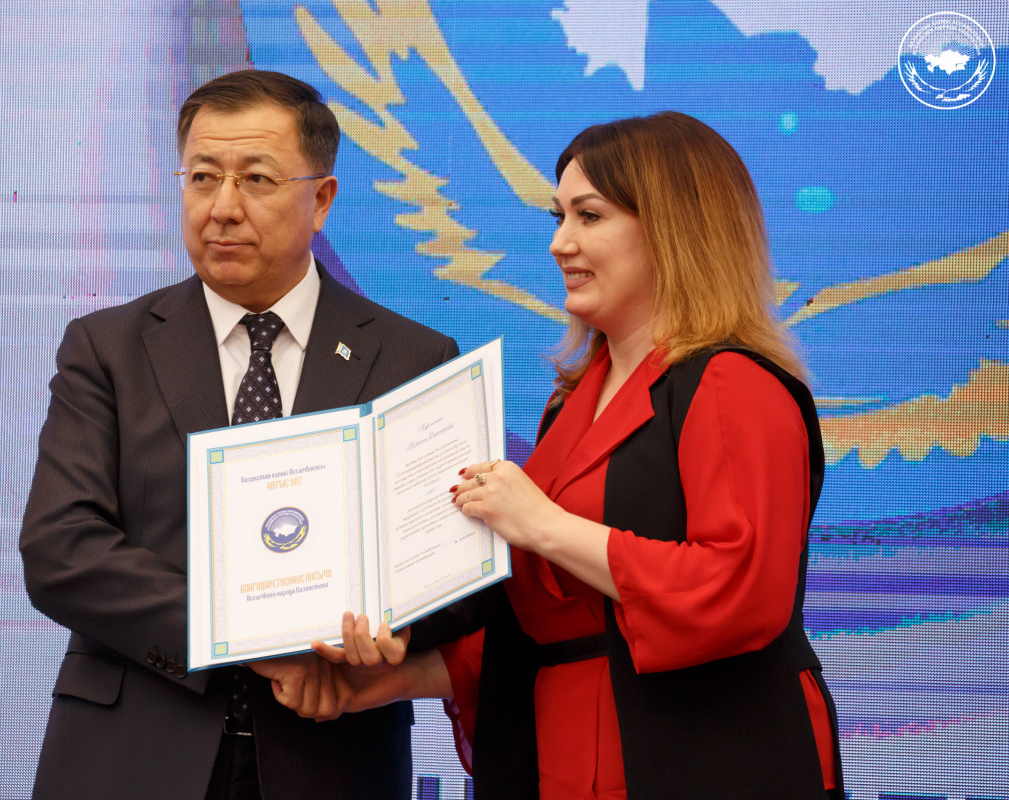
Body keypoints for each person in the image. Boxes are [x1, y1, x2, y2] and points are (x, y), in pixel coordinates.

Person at [255, 112, 844, 799]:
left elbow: (740, 589)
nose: (561, 243)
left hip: (710, 758)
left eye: (589, 216)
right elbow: (550, 629)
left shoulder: (732, 382)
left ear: (674, 227)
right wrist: (387, 680)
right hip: (565, 756)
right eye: (559, 217)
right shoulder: (568, 406)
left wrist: (545, 525)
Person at [19, 70, 458, 800]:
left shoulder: (413, 359)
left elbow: (452, 578)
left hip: (332, 757)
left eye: (256, 179)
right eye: (202, 178)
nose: (222, 208)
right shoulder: (107, 348)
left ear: (322, 199)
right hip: (130, 754)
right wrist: (257, 639)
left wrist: (390, 630)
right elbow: (61, 549)